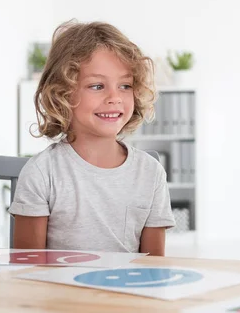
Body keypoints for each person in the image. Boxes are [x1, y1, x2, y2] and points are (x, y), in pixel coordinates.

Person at [9, 20, 176, 255]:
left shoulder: (151, 174)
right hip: (59, 292)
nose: (114, 97)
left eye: (125, 85)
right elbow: (29, 267)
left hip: (124, 292)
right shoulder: (41, 172)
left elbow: (153, 269)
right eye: (97, 86)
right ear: (62, 94)